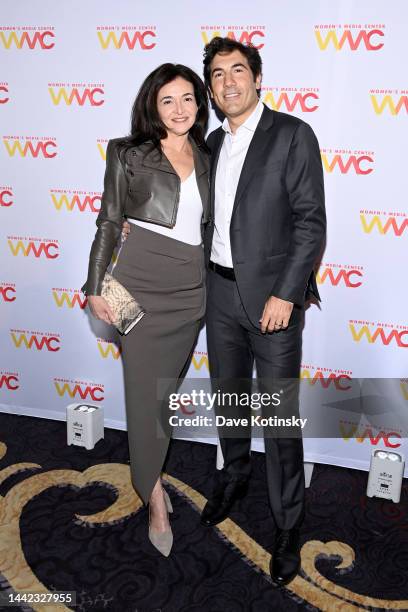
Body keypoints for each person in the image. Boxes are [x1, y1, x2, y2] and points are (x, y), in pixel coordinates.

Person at [200, 37, 326, 586]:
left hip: (273, 300)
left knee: (277, 420)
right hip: (218, 293)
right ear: (210, 90)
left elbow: (309, 222)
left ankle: (287, 524)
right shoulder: (209, 141)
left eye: (237, 70)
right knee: (228, 396)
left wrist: (286, 293)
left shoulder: (293, 134)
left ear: (257, 78)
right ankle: (234, 476)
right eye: (218, 76)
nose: (228, 82)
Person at [82, 63, 210, 557]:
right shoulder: (127, 153)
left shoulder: (209, 154)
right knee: (144, 401)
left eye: (188, 100)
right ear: (152, 106)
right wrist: (95, 287)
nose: (179, 110)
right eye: (168, 101)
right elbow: (110, 221)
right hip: (139, 282)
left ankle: (150, 473)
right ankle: (153, 497)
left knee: (163, 397)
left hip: (191, 288)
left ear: (200, 105)